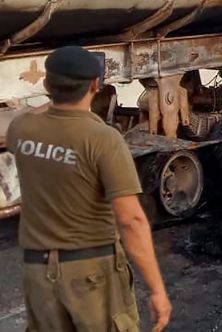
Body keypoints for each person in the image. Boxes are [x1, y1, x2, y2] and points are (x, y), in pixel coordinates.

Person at [7, 46, 171, 331]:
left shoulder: (20, 129)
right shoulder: (102, 139)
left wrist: (58, 97)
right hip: (91, 274)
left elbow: (42, 114)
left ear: (46, 85)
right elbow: (130, 220)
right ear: (96, 84)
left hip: (38, 272)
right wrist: (157, 289)